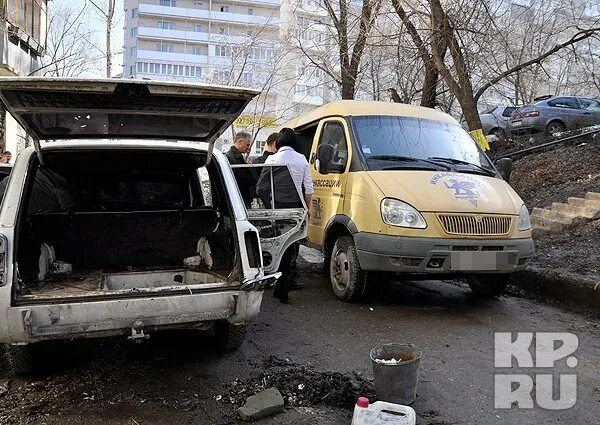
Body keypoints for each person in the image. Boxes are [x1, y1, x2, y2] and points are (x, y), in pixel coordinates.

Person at [264, 128, 314, 303]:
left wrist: (268, 203)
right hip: (296, 210)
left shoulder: (271, 159)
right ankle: (283, 286)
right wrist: (308, 209)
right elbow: (309, 189)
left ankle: (275, 282)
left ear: (277, 143)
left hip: (276, 210)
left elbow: (261, 186)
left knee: (276, 244)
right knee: (290, 245)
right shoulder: (301, 159)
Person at [225, 132, 256, 207]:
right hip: (240, 198)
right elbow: (244, 178)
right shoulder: (233, 158)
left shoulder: (235, 157)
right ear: (240, 141)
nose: (248, 148)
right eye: (247, 145)